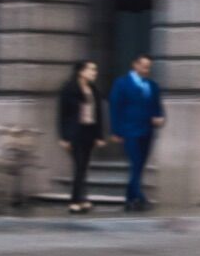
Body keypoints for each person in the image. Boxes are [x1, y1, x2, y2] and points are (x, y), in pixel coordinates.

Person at [108, 54, 165, 212]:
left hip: (147, 131)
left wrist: (160, 118)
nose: (147, 69)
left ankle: (130, 199)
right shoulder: (122, 83)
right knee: (135, 163)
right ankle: (140, 197)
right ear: (135, 65)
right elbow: (115, 108)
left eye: (149, 67)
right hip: (129, 130)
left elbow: (158, 107)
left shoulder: (152, 85)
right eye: (144, 66)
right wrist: (115, 131)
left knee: (139, 166)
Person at [55, 60, 106, 214]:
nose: (94, 72)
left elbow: (98, 114)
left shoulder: (93, 89)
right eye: (91, 69)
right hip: (74, 133)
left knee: (83, 167)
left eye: (95, 70)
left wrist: (99, 135)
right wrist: (63, 137)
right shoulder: (69, 88)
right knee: (79, 166)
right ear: (81, 71)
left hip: (89, 132)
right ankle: (74, 201)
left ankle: (82, 199)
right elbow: (62, 115)